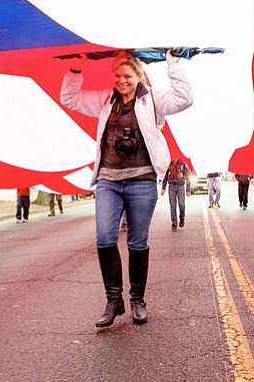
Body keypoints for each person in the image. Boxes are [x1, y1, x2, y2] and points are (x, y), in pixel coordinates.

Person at [61, 49, 193, 327]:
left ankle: (137, 301)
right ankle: (113, 300)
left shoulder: (154, 99)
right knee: (105, 237)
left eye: (128, 76)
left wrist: (174, 66)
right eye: (118, 76)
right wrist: (75, 70)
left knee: (137, 241)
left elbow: (184, 98)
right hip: (109, 180)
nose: (122, 81)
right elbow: (69, 98)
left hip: (142, 179)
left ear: (139, 75)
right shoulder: (105, 101)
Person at [161, 158, 191, 232]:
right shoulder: (168, 164)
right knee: (173, 205)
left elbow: (188, 176)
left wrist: (188, 189)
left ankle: (182, 218)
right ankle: (174, 223)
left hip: (180, 186)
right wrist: (163, 188)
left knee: (181, 204)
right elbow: (165, 176)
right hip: (171, 187)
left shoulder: (182, 164)